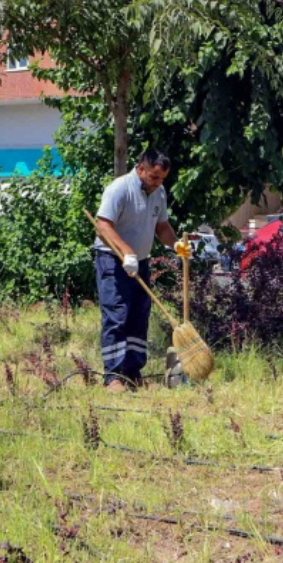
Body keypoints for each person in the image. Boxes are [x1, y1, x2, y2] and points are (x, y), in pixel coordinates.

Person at [92, 149, 185, 392]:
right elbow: (102, 226)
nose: (158, 183)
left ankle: (132, 373)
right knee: (117, 315)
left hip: (140, 262)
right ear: (141, 169)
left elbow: (162, 227)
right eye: (154, 177)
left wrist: (175, 244)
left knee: (138, 316)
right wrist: (125, 252)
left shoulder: (159, 192)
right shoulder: (119, 188)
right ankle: (113, 375)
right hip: (112, 260)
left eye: (162, 178)